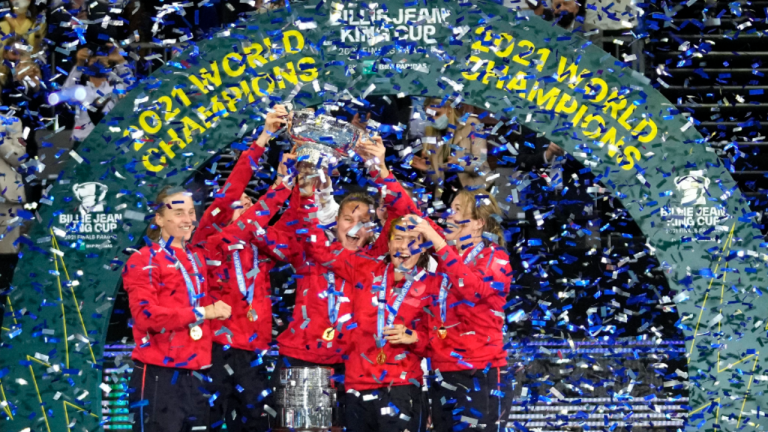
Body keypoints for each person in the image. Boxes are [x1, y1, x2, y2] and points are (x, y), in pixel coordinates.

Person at [248, 134, 417, 427]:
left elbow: (406, 215)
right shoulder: (308, 250)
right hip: (303, 361)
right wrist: (301, 188)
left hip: (353, 368)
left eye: (364, 221)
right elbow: (262, 228)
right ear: (336, 222)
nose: (355, 227)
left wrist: (381, 168)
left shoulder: (378, 258)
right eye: (349, 219)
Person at [190, 106, 293, 431]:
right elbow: (234, 188)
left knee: (256, 424)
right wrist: (264, 139)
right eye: (242, 204)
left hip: (255, 350)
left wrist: (301, 183)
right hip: (217, 347)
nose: (247, 206)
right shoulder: (208, 237)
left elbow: (295, 232)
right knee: (211, 422)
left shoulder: (262, 246)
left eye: (252, 203)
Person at [296, 206, 437, 432]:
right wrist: (307, 197)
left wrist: (416, 338)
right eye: (398, 238)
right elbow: (319, 248)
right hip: (356, 388)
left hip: (401, 388)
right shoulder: (365, 269)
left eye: (412, 239)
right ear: (388, 244)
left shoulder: (433, 285)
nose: (404, 245)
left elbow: (443, 342)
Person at [122, 186, 233, 432]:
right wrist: (203, 313)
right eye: (179, 212)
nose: (189, 219)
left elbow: (227, 204)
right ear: (159, 219)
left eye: (192, 212)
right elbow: (145, 316)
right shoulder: (143, 259)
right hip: (160, 378)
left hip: (200, 376)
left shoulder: (198, 257)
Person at [405, 189, 513, 432]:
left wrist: (439, 242)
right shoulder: (448, 257)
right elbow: (412, 213)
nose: (448, 217)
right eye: (449, 209)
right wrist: (381, 170)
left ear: (478, 223)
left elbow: (471, 289)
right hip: (442, 373)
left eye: (457, 211)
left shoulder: (496, 258)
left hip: (480, 374)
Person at [410, 98, 495, 207]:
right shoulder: (434, 137)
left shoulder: (472, 126)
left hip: (472, 195)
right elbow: (438, 180)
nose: (434, 119)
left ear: (449, 109)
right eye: (430, 117)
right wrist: (428, 170)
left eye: (437, 114)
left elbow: (481, 164)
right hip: (445, 197)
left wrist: (459, 164)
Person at [63, 43, 134, 143]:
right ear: (87, 65)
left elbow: (134, 88)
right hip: (82, 144)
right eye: (93, 60)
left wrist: (120, 60)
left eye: (102, 60)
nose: (98, 62)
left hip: (109, 143)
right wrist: (79, 63)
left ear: (109, 64)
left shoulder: (117, 88)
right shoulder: (81, 91)